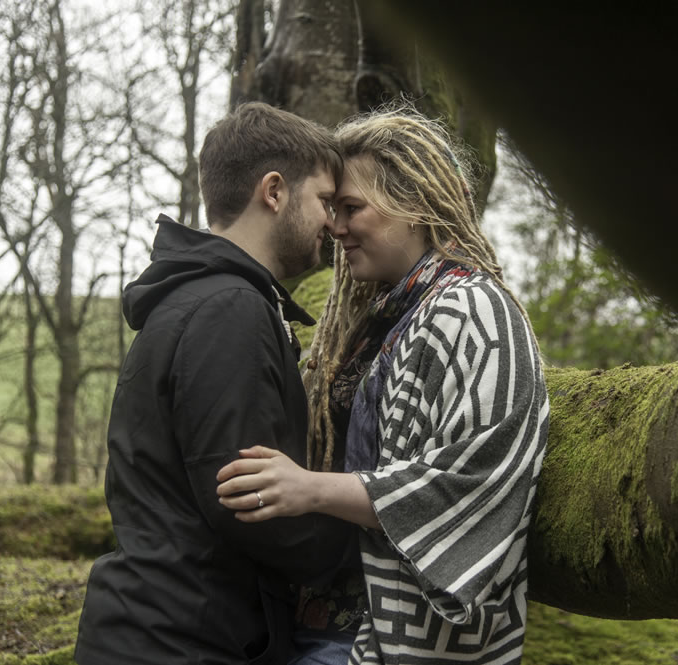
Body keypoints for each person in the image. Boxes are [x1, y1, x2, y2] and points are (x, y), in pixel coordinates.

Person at [215, 106, 550, 664]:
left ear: (413, 206)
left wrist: (311, 488)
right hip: (322, 627)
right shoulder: (383, 319)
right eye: (332, 208)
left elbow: (472, 479)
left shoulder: (473, 311)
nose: (335, 227)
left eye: (351, 209)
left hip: (398, 643)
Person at [75, 102, 358, 665]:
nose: (333, 221)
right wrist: (365, 545)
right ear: (273, 191)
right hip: (178, 642)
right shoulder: (230, 308)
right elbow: (247, 500)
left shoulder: (204, 298)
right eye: (324, 201)